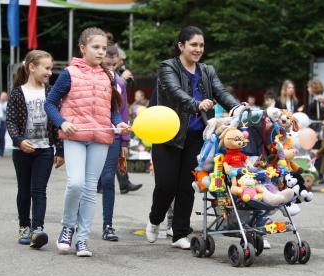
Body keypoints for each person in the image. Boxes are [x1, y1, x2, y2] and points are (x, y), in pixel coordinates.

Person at [146, 26, 239, 249]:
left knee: (187, 186)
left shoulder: (207, 70)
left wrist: (237, 107)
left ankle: (180, 234)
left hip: (197, 137)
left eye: (201, 45)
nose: (198, 49)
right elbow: (175, 92)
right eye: (193, 45)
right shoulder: (167, 67)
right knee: (166, 186)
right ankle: (154, 219)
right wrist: (196, 104)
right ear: (181, 46)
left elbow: (221, 92)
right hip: (168, 135)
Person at [45, 27, 130, 257]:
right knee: (76, 184)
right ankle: (67, 227)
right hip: (74, 135)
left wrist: (118, 123)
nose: (101, 52)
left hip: (101, 137)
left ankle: (82, 239)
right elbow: (50, 103)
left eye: (103, 48)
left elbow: (112, 110)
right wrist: (62, 123)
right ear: (82, 48)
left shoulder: (109, 76)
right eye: (96, 47)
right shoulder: (69, 73)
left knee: (91, 189)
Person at [7, 50, 64, 248]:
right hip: (22, 151)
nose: (50, 72)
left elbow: (58, 123)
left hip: (45, 150)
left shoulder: (51, 92)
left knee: (39, 190)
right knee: (24, 190)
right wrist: (19, 140)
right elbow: (11, 121)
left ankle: (37, 229)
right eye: (46, 68)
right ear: (32, 67)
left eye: (51, 68)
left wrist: (60, 150)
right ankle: (24, 226)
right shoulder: (17, 92)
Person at [98, 45, 134, 241]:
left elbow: (123, 111)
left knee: (108, 180)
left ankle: (108, 225)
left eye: (113, 65)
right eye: (106, 65)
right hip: (92, 135)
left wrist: (124, 142)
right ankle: (76, 222)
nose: (110, 69)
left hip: (114, 136)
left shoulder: (120, 82)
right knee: (85, 182)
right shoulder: (90, 79)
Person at [0, 91, 8, 156]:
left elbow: (6, 110)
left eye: (4, 96)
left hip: (3, 122)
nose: (3, 97)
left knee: (2, 137)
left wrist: (1, 103)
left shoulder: (6, 104)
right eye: (2, 96)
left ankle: (1, 152)